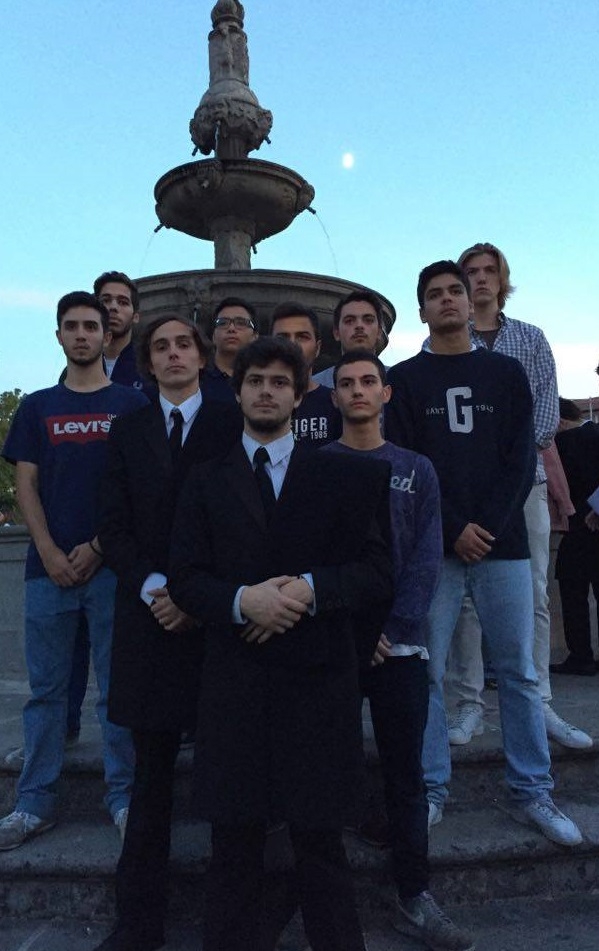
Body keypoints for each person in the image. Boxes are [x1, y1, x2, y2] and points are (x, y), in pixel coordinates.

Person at [168, 336, 394, 951]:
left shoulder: (344, 475)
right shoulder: (204, 480)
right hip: (234, 684)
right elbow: (184, 576)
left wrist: (307, 591)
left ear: (299, 396)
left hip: (317, 684)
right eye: (255, 380)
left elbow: (377, 572)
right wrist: (244, 601)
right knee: (233, 845)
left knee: (321, 845)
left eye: (278, 382)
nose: (265, 391)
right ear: (237, 391)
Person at [385, 260, 582, 848]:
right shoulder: (405, 379)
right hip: (434, 550)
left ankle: (532, 791)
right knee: (427, 672)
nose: (447, 300)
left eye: (456, 291)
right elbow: (405, 464)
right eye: (435, 294)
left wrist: (487, 527)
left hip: (504, 546)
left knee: (519, 671)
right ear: (421, 309)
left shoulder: (506, 372)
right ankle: (431, 790)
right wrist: (451, 530)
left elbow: (521, 457)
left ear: (471, 303)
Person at [93, 316, 242, 951]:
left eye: (184, 344)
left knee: (231, 783)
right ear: (148, 363)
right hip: (149, 619)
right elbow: (113, 523)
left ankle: (232, 927)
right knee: (150, 782)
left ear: (202, 357)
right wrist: (156, 587)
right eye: (161, 347)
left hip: (217, 627)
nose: (174, 354)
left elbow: (246, 517)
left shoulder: (234, 420)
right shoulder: (127, 430)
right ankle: (138, 924)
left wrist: (197, 596)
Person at [327, 350, 474, 951]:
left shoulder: (416, 468)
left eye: (369, 381)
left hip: (402, 646)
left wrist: (395, 626)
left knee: (405, 777)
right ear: (334, 397)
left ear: (386, 393)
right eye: (346, 383)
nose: (358, 391)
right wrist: (351, 630)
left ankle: (414, 895)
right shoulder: (319, 465)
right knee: (324, 771)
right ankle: (322, 900)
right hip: (336, 644)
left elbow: (425, 556)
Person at [0, 292, 147, 851]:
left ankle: (124, 797)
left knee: (115, 692)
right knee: (46, 694)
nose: (82, 334)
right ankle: (33, 803)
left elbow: (138, 487)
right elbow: (26, 484)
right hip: (47, 572)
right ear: (58, 335)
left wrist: (99, 547)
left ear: (106, 336)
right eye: (72, 326)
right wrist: (48, 549)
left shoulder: (131, 405)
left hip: (110, 570)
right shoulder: (37, 407)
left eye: (91, 326)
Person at [445, 242, 591, 751]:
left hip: (524, 483)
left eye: (490, 270)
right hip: (465, 488)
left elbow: (546, 416)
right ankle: (468, 704)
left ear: (502, 279)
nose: (481, 278)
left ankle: (539, 700)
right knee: (463, 596)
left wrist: (499, 460)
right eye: (472, 271)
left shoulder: (530, 338)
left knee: (533, 592)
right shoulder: (446, 340)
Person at [551, 397, 599, 675]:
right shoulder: (594, 434)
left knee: (573, 592)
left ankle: (581, 656)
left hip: (578, 527)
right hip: (589, 522)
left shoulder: (565, 443)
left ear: (559, 421)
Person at [270, 301, 341, 445]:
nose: (292, 344)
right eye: (282, 338)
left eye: (302, 337)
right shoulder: (255, 404)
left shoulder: (336, 404)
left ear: (318, 348)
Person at [94, 271, 155, 397]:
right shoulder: (76, 371)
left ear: (136, 316)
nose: (113, 307)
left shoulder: (151, 366)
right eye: (105, 300)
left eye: (123, 302)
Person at [313, 289, 384, 388]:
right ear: (336, 333)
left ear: (379, 331)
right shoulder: (316, 385)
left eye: (368, 320)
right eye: (349, 321)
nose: (359, 326)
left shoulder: (398, 380)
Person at [201, 296, 258, 403]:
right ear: (213, 336)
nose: (231, 328)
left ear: (255, 337)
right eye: (223, 323)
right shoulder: (197, 380)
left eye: (241, 323)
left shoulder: (264, 381)